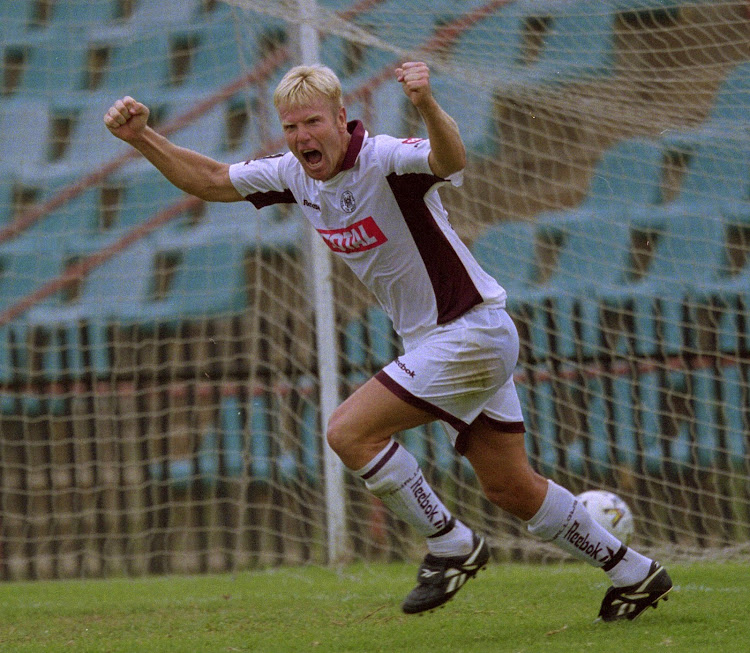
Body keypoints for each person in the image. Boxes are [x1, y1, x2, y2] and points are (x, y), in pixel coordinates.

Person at [104, 61, 672, 621]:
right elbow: (209, 181)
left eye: (313, 123)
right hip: (442, 343)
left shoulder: (385, 159)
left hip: (470, 332)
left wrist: (426, 104)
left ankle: (451, 544)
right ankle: (634, 572)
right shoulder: (294, 173)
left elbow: (451, 159)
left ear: (341, 118)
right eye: (292, 127)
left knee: (349, 431)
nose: (302, 137)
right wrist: (142, 138)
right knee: (510, 488)